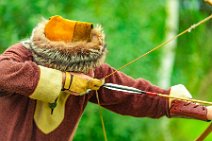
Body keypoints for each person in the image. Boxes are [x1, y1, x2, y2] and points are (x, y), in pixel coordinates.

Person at [0, 15, 211, 141]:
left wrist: (202, 111)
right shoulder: (22, 55)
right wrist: (66, 82)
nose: (81, 74)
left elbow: (136, 95)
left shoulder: (91, 72)